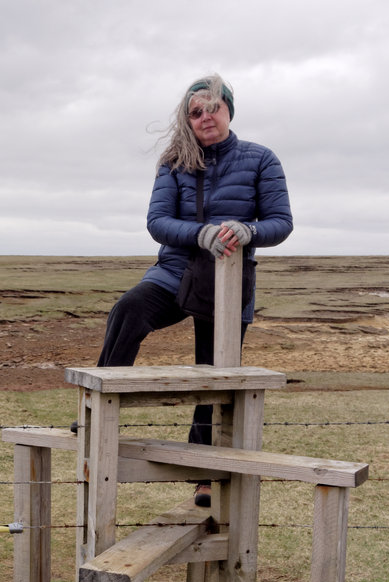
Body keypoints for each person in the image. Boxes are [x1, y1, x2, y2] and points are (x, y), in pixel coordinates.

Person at [94, 74, 293, 507]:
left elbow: (281, 222)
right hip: (174, 270)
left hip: (227, 280)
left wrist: (247, 230)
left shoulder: (261, 159)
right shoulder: (174, 161)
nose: (206, 117)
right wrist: (201, 233)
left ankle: (204, 475)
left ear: (229, 110)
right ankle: (97, 414)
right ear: (188, 119)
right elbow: (157, 222)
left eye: (213, 108)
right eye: (195, 111)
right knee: (128, 311)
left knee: (215, 374)